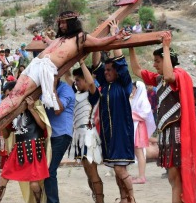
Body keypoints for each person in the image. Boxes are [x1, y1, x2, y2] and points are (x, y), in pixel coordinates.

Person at [0, 13, 129, 141]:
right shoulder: (60, 38)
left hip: (45, 69)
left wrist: (115, 35)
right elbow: (50, 44)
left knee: (18, 96)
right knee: (14, 94)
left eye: (64, 23)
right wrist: (47, 39)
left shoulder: (81, 37)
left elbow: (100, 42)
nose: (61, 26)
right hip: (36, 64)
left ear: (72, 22)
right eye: (60, 23)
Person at [128, 31, 196, 203]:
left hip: (176, 133)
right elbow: (137, 70)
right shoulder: (159, 79)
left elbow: (169, 75)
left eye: (157, 61)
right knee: (173, 178)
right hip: (166, 134)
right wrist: (130, 46)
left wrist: (166, 47)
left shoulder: (178, 76)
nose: (154, 64)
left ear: (168, 60)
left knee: (176, 177)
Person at [92, 21, 135, 203]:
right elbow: (95, 64)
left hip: (122, 132)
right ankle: (124, 197)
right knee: (116, 168)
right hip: (108, 134)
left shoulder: (123, 84)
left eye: (110, 70)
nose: (107, 72)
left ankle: (131, 197)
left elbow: (122, 63)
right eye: (106, 70)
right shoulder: (105, 85)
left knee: (120, 169)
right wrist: (95, 41)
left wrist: (115, 34)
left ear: (117, 72)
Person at [0, 96, 50, 203]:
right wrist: (1, 124)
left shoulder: (35, 106)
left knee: (34, 184)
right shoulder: (13, 113)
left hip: (33, 147)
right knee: (3, 178)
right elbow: (6, 135)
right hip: (18, 148)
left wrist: (31, 109)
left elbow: (43, 127)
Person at [67, 60, 103, 203]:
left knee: (92, 172)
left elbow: (91, 83)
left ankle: (100, 201)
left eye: (79, 80)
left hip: (88, 135)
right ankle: (96, 198)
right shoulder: (76, 92)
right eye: (75, 80)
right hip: (78, 136)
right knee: (88, 173)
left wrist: (82, 63)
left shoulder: (92, 94)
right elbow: (66, 76)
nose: (76, 83)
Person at [44, 72, 75, 203]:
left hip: (62, 135)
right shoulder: (44, 89)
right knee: (46, 171)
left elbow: (58, 109)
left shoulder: (66, 89)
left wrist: (52, 90)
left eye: (52, 77)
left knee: (50, 171)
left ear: (57, 77)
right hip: (50, 135)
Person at [130, 81, 156, 184]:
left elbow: (144, 114)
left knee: (139, 152)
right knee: (138, 152)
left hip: (139, 128)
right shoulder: (135, 99)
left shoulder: (143, 100)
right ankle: (140, 175)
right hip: (135, 127)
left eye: (134, 88)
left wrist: (130, 115)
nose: (133, 90)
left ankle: (142, 177)